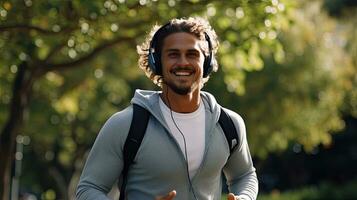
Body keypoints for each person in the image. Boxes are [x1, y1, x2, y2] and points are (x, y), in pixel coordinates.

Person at [76, 17, 258, 200]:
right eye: (173, 54)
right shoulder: (125, 124)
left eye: (192, 54)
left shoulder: (229, 124)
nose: (183, 62)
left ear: (207, 62)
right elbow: (88, 189)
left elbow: (245, 175)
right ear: (157, 62)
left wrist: (244, 197)